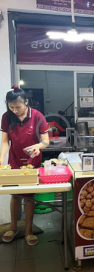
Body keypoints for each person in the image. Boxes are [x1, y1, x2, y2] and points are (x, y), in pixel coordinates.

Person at [0, 86, 49, 246]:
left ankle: (28, 230)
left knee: (28, 196)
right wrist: (1, 158)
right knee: (15, 194)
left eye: (18, 107)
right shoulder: (6, 117)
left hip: (31, 162)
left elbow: (45, 141)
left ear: (26, 102)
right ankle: (13, 227)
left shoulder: (38, 116)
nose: (15, 110)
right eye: (11, 107)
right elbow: (5, 141)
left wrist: (37, 147)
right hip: (14, 161)